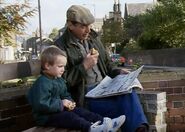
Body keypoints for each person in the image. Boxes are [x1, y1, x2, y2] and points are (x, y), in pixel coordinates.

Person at [55, 5, 149, 132]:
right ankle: (139, 129)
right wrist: (84, 66)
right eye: (83, 26)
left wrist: (118, 72)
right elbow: (61, 83)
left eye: (89, 25)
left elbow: (108, 64)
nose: (88, 30)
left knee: (129, 91)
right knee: (125, 109)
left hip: (106, 88)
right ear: (70, 25)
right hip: (87, 96)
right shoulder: (60, 47)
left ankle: (140, 129)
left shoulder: (93, 39)